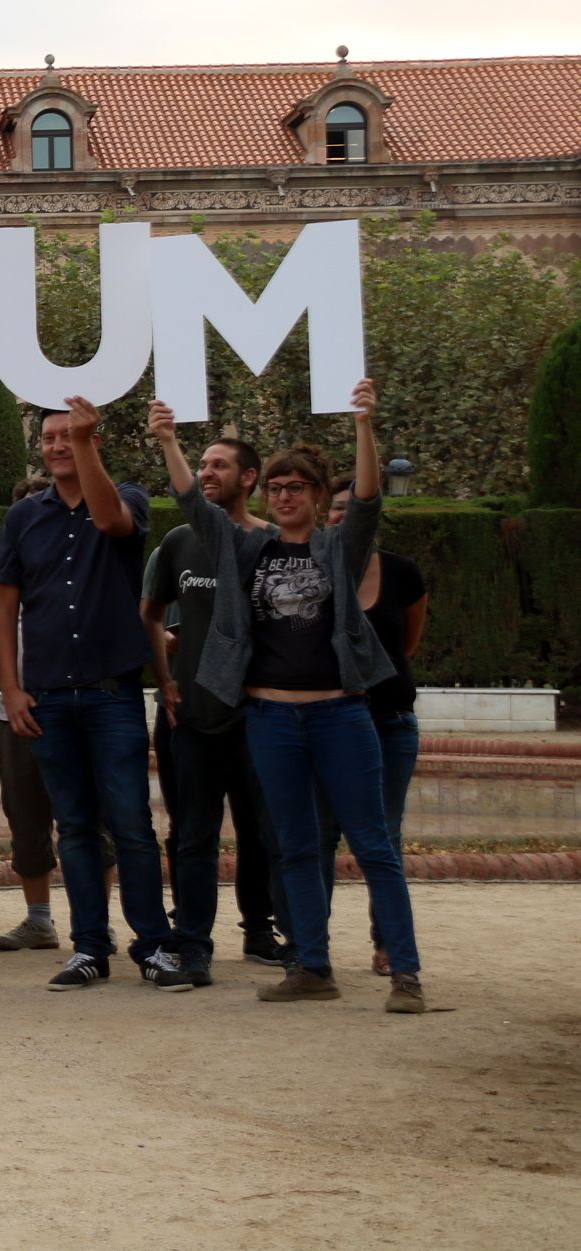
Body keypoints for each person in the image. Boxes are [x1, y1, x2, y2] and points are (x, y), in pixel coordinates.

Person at [150, 382, 426, 1012]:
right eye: (275, 488)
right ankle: (311, 966)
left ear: (314, 493)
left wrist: (363, 424)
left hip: (339, 715)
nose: (284, 496)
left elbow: (367, 501)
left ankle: (406, 974)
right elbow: (193, 502)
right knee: (296, 845)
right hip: (270, 717)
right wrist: (168, 440)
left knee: (373, 843)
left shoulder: (338, 548)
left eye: (295, 487)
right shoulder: (249, 547)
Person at [0, 400, 188, 993]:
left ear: (91, 440)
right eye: (50, 438)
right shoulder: (23, 517)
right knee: (73, 828)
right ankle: (90, 949)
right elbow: (4, 608)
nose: (56, 445)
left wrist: (84, 442)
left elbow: (111, 524)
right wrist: (12, 688)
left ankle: (153, 946)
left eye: (67, 437)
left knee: (130, 825)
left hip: (111, 695)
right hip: (48, 696)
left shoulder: (126, 496)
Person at [141, 436, 284, 981]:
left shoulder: (272, 544)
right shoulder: (178, 543)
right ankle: (194, 944)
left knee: (262, 831)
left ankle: (259, 930)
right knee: (194, 834)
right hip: (193, 717)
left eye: (219, 465)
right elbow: (150, 615)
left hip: (258, 716)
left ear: (249, 478)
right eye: (201, 464)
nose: (206, 473)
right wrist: (165, 680)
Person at [0, 478, 113, 952]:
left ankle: (99, 922)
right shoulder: (4, 575)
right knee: (25, 817)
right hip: (18, 712)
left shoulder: (90, 562)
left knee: (94, 819)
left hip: (81, 705)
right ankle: (39, 920)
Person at [322, 482, 427, 975]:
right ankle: (309, 947)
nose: (340, 517)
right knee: (319, 835)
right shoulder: (310, 571)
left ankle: (387, 944)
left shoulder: (402, 572)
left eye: (350, 508)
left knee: (383, 836)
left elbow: (406, 645)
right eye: (334, 510)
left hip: (389, 722)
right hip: (324, 724)